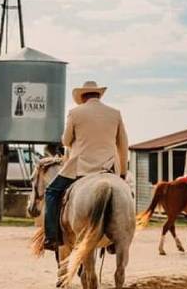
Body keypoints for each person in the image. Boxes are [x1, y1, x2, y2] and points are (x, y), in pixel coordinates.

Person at [43, 80, 128, 251]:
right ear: (98, 95)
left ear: (82, 97)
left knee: (51, 192)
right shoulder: (115, 113)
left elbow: (66, 141)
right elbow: (123, 145)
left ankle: (52, 237)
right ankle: (118, 237)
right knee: (126, 195)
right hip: (108, 168)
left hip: (80, 168)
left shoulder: (75, 113)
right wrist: (122, 173)